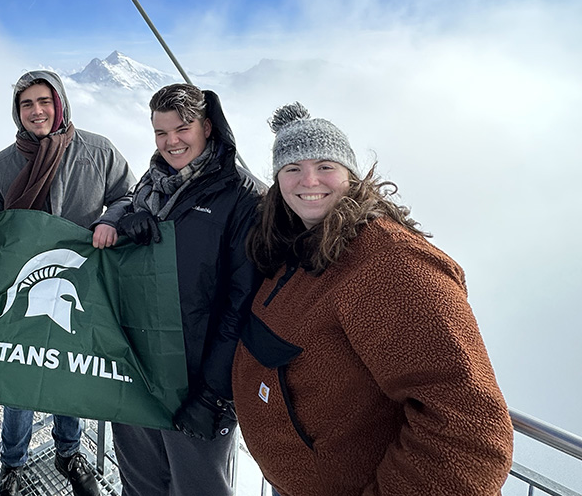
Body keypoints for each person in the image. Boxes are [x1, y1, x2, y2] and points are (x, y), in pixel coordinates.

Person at [231, 103, 514, 496]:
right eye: (292, 169)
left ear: (350, 174)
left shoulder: (390, 263)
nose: (308, 180)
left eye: (325, 166)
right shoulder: (296, 240)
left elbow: (469, 429)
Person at [0, 69, 135, 496]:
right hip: (25, 281)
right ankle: (12, 465)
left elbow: (128, 194)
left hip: (78, 279)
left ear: (60, 103)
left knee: (69, 367)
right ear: (17, 112)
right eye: (27, 104)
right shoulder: (3, 164)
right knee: (19, 374)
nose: (37, 111)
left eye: (44, 102)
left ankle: (68, 452)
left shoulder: (97, 150)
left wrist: (108, 220)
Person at [109, 83, 263, 496]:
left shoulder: (243, 197)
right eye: (161, 133)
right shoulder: (153, 183)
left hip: (196, 385)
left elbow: (242, 303)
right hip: (138, 373)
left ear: (207, 127)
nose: (171, 142)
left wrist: (213, 397)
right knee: (140, 486)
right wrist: (126, 218)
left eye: (182, 129)